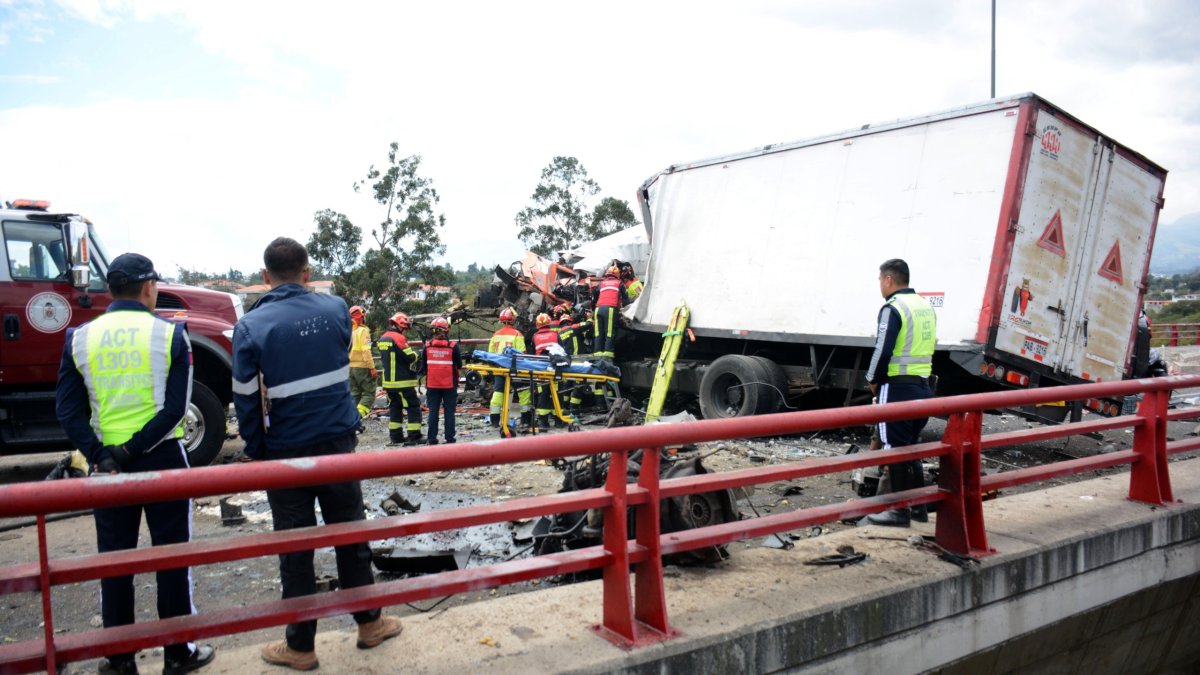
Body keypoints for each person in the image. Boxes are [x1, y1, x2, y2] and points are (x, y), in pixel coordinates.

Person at [232, 237, 402, 671]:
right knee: (350, 534)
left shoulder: (251, 326)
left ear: (265, 277)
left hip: (285, 450)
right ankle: (370, 624)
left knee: (295, 548)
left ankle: (301, 647)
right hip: (337, 443)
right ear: (307, 273)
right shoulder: (336, 309)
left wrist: (257, 449)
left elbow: (246, 398)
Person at [55, 252, 215, 675]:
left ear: (111, 290)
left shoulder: (79, 338)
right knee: (172, 558)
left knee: (114, 562)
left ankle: (120, 659)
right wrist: (133, 450)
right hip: (163, 459)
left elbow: (68, 412)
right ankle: (178, 653)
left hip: (106, 465)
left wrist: (102, 455)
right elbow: (176, 410)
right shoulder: (171, 335)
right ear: (149, 287)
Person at [859, 258, 937, 528]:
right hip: (923, 386)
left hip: (897, 387)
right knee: (911, 448)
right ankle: (917, 509)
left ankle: (898, 512)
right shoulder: (924, 307)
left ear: (888, 280)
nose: (880, 285)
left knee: (893, 449)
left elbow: (883, 349)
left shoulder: (892, 308)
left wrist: (872, 379)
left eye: (880, 280)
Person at [377, 312, 422, 446]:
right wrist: (417, 354)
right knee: (413, 407)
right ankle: (414, 436)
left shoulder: (383, 338)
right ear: (400, 325)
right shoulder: (399, 338)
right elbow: (410, 357)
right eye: (405, 328)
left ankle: (396, 437)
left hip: (388, 382)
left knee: (395, 408)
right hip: (402, 381)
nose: (405, 330)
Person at [487, 307, 530, 432]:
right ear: (513, 320)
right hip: (515, 369)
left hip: (500, 369)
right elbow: (522, 354)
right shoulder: (517, 334)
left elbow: (490, 354)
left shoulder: (495, 335)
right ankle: (525, 420)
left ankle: (495, 421)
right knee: (524, 392)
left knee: (498, 393)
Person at [421, 316, 462, 445]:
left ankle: (432, 438)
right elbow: (459, 365)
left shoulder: (427, 347)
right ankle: (450, 438)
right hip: (449, 385)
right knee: (449, 412)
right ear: (446, 331)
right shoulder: (453, 347)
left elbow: (424, 367)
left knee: (433, 412)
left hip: (432, 384)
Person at [531, 312, 564, 429]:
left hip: (541, 371)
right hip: (555, 369)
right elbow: (562, 352)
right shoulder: (555, 335)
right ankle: (559, 421)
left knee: (543, 395)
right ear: (549, 323)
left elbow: (532, 355)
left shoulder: (534, 337)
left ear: (537, 325)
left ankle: (544, 422)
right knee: (557, 394)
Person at [592, 265, 630, 360]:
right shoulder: (619, 283)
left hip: (598, 309)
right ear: (617, 274)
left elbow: (594, 297)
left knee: (598, 332)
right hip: (610, 309)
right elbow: (626, 298)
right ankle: (608, 355)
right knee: (609, 332)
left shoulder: (602, 283)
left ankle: (597, 353)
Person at [348, 305, 377, 422]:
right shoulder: (363, 331)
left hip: (350, 368)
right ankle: (356, 419)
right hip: (363, 367)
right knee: (369, 395)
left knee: (355, 395)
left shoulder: (347, 330)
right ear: (361, 318)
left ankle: (350, 420)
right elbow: (366, 351)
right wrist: (372, 368)